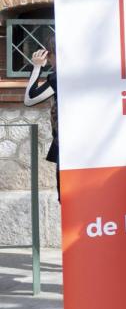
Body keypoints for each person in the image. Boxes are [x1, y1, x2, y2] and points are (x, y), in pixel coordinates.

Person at [23, 40, 60, 198]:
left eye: (50, 55)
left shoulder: (59, 78)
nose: (49, 60)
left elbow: (30, 99)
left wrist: (37, 66)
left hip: (66, 146)